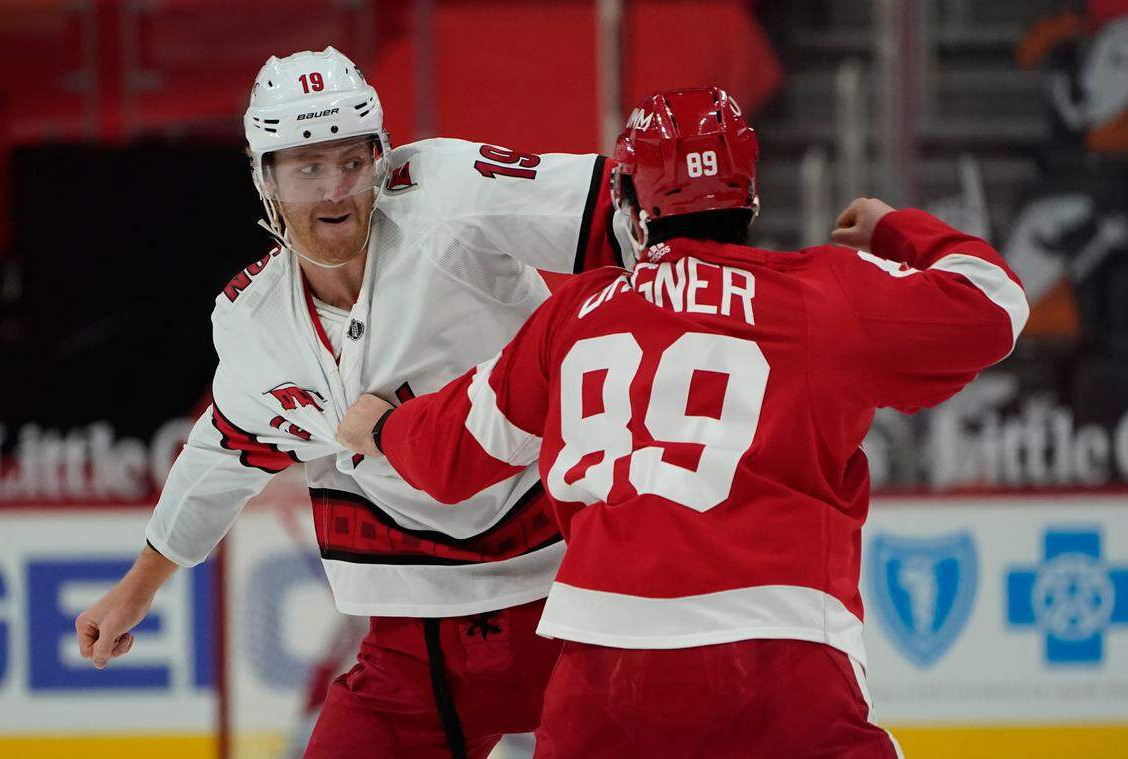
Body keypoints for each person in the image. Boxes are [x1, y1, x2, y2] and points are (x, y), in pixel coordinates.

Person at [337, 86, 1030, 758]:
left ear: (632, 203)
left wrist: (385, 429)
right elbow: (994, 305)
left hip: (604, 663)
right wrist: (892, 228)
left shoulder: (574, 314)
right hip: (781, 644)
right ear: (749, 196)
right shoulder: (824, 294)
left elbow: (457, 452)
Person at [73, 46, 624, 759]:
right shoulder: (252, 324)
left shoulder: (449, 192)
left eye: (351, 162)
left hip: (576, 600)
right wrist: (138, 588)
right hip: (413, 642)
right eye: (308, 168)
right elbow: (221, 455)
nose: (335, 190)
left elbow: (629, 213)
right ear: (266, 180)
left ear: (381, 159)